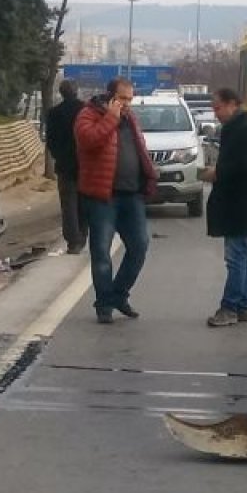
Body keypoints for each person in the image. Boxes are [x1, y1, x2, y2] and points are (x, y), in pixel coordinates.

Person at [74, 77, 158, 324]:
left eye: (130, 99)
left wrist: (149, 174)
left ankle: (118, 295)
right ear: (110, 96)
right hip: (103, 196)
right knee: (101, 252)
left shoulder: (131, 118)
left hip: (131, 195)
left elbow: (139, 149)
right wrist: (110, 117)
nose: (127, 104)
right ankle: (104, 305)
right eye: (122, 99)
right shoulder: (87, 115)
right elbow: (88, 141)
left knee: (139, 246)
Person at [200, 88, 247, 327]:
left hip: (241, 205)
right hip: (243, 204)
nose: (216, 113)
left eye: (218, 108)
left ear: (232, 104)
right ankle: (243, 306)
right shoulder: (242, 128)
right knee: (243, 256)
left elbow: (240, 167)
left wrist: (215, 173)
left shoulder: (245, 130)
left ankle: (230, 307)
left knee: (236, 258)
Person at [45, 80, 87, 254]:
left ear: (61, 94)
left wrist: (59, 156)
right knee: (83, 202)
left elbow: (51, 141)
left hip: (64, 165)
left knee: (68, 204)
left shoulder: (54, 113)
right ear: (76, 92)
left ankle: (73, 241)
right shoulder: (85, 110)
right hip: (85, 164)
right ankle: (83, 235)